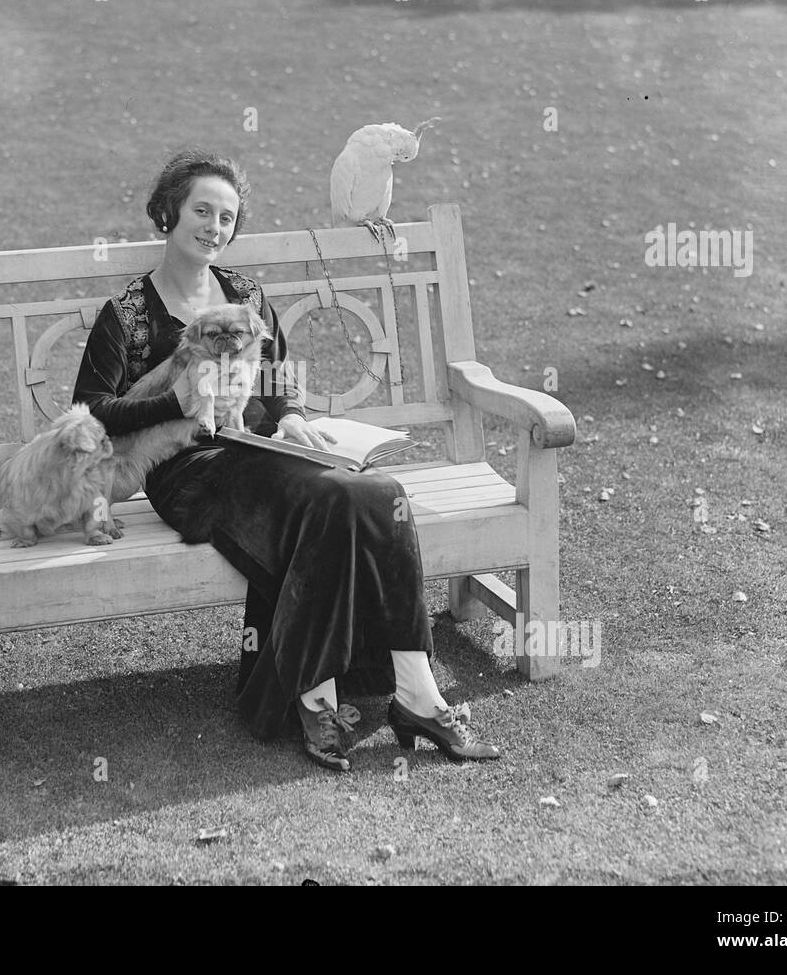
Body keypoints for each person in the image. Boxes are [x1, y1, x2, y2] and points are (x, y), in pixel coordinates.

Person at [72, 149, 499, 772]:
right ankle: (313, 694)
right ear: (168, 212)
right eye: (201, 210)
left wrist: (295, 419)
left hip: (262, 454)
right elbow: (90, 410)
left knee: (378, 493)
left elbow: (278, 384)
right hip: (190, 472)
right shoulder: (130, 315)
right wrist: (175, 399)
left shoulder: (245, 297)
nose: (213, 227)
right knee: (332, 502)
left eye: (226, 217)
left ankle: (417, 691)